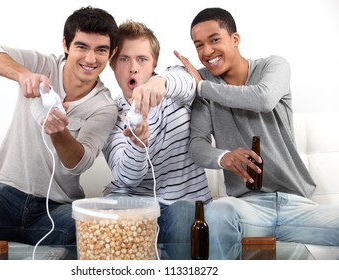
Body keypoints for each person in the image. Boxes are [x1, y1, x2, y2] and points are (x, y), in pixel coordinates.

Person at [137, 7, 339, 251]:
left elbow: (263, 99)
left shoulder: (272, 66)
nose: (207, 51)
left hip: (297, 205)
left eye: (214, 40)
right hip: (247, 207)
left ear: (235, 39)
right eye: (199, 45)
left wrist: (203, 88)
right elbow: (197, 145)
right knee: (219, 212)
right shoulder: (202, 83)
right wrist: (224, 157)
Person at [0, 6, 119, 247]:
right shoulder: (42, 65)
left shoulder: (105, 106)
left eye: (100, 50)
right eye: (81, 46)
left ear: (111, 53)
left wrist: (59, 134)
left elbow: (80, 163)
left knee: (100, 237)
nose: (90, 59)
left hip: (56, 208)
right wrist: (22, 74)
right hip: (2, 195)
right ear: (65, 44)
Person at [102, 20, 212, 246]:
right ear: (112, 63)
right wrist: (138, 144)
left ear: (154, 63)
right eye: (124, 59)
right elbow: (127, 178)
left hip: (184, 202)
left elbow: (190, 82)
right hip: (132, 202)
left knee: (183, 217)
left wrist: (161, 82)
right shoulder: (109, 114)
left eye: (142, 59)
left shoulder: (173, 85)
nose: (133, 67)